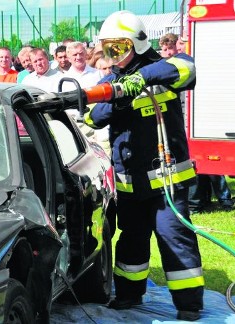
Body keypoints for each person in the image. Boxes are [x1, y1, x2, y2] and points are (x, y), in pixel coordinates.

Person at [85, 11, 203, 321]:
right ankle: (128, 296)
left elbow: (186, 67)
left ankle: (189, 305)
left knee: (172, 236)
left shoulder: (161, 69)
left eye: (118, 48)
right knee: (131, 238)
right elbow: (93, 117)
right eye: (108, 49)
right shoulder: (112, 80)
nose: (113, 56)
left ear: (135, 44)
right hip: (131, 182)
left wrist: (141, 79)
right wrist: (118, 94)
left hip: (167, 180)